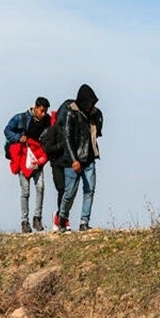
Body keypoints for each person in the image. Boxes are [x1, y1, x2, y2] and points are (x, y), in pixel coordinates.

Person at [56, 84, 103, 232]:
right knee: (70, 193)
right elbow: (67, 138)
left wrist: (97, 117)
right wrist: (74, 160)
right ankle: (62, 218)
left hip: (89, 159)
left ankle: (84, 222)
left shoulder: (94, 114)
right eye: (90, 103)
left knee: (89, 190)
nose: (92, 106)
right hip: (73, 161)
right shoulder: (71, 114)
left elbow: (99, 131)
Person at [4, 97, 52, 233]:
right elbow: (7, 130)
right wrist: (18, 138)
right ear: (35, 108)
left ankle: (37, 218)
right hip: (23, 159)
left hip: (37, 160)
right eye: (42, 111)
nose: (43, 114)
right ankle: (24, 222)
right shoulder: (21, 118)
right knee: (25, 192)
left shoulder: (47, 121)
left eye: (45, 111)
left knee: (41, 187)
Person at [39, 111, 70, 233]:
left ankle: (61, 216)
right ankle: (60, 218)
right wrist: (61, 146)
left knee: (67, 192)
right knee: (62, 190)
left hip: (67, 164)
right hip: (57, 164)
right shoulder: (53, 130)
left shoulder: (68, 129)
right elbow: (48, 148)